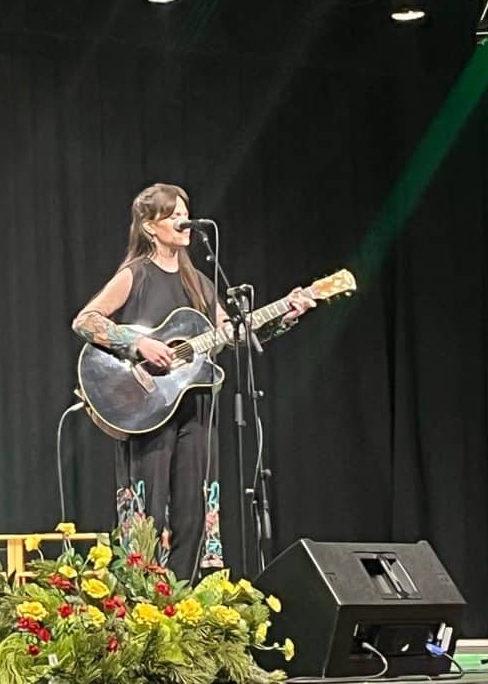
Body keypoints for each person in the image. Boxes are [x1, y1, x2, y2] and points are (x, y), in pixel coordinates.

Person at [71, 183, 315, 580]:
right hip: (146, 406)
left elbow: (234, 335)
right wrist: (140, 343)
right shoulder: (136, 274)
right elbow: (85, 320)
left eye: (185, 213)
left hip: (195, 408)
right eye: (173, 215)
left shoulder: (199, 281)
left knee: (193, 509)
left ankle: (183, 596)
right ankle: (143, 596)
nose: (183, 221)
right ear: (149, 227)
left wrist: (287, 314)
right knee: (150, 510)